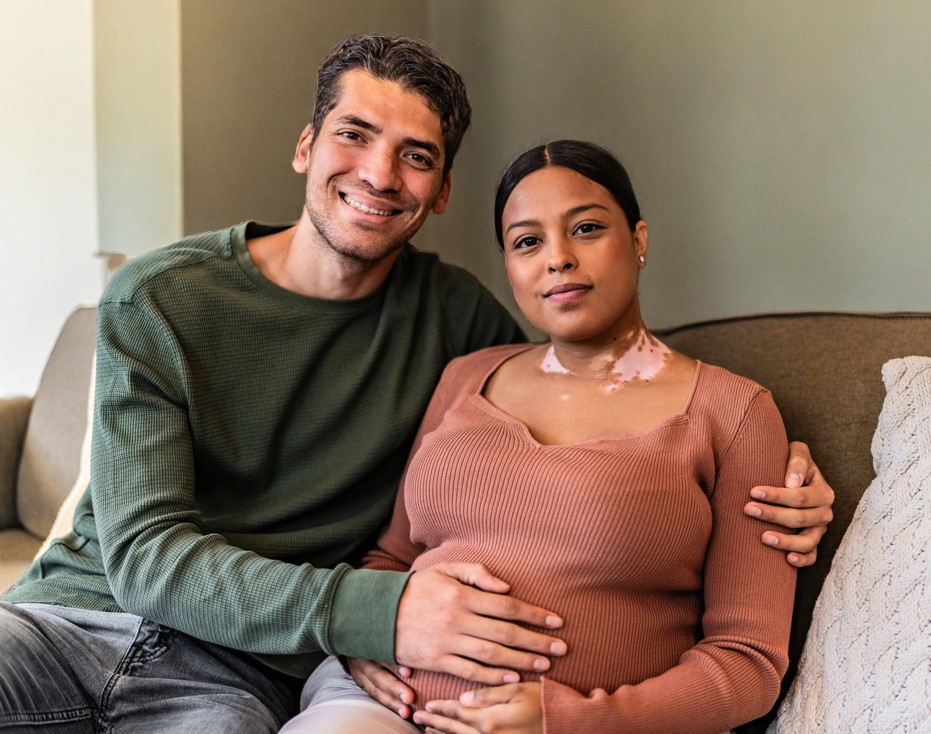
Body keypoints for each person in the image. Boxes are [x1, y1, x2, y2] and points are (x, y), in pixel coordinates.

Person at [0, 36, 829, 733]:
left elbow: (583, 409)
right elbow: (145, 557)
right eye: (354, 135)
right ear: (305, 146)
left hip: (238, 676)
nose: (379, 174)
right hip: (71, 622)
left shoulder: (457, 324)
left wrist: (775, 471)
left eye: (416, 156)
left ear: (440, 194)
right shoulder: (160, 296)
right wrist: (380, 614)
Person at [283, 140, 799, 734]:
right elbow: (392, 558)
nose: (558, 258)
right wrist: (366, 635)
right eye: (527, 242)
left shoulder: (733, 412)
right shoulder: (465, 376)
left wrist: (574, 720)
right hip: (380, 706)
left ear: (638, 239)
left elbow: (748, 661)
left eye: (586, 229)